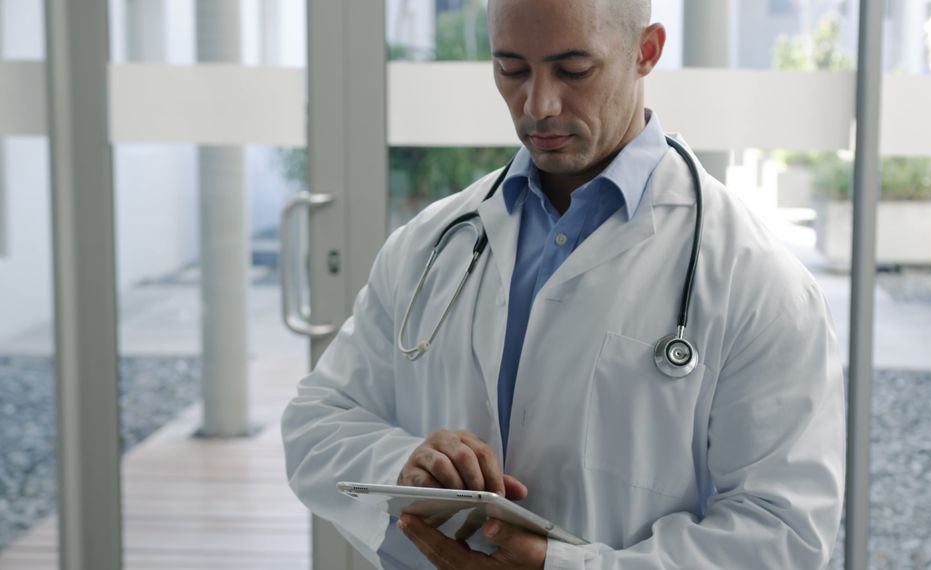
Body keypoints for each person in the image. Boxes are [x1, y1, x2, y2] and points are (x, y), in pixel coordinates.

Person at [281, 0, 846, 568]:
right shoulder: (431, 242)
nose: (538, 105)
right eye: (511, 69)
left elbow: (783, 533)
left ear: (645, 51)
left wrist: (565, 566)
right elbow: (316, 421)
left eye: (574, 71)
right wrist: (402, 467)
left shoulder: (759, 282)